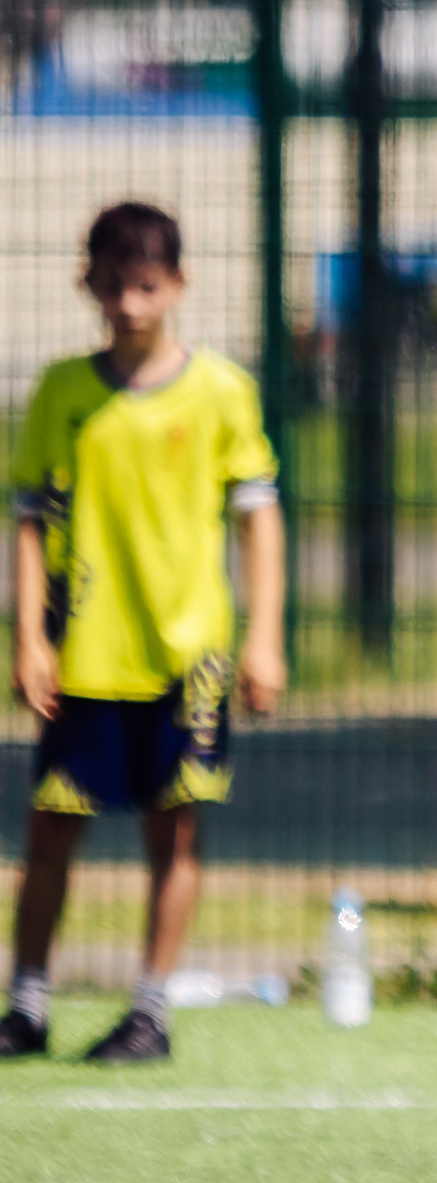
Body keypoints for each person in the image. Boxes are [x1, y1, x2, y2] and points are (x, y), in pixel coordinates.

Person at [5, 203, 286, 1064]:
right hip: (86, 655)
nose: (129, 305)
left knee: (177, 828)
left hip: (187, 657)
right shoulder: (61, 392)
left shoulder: (222, 392)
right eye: (114, 286)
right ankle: (28, 1002)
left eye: (146, 286)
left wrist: (264, 635)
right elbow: (27, 520)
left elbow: (259, 519)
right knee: (52, 826)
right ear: (87, 284)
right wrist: (28, 635)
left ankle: (149, 1012)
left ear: (178, 286)